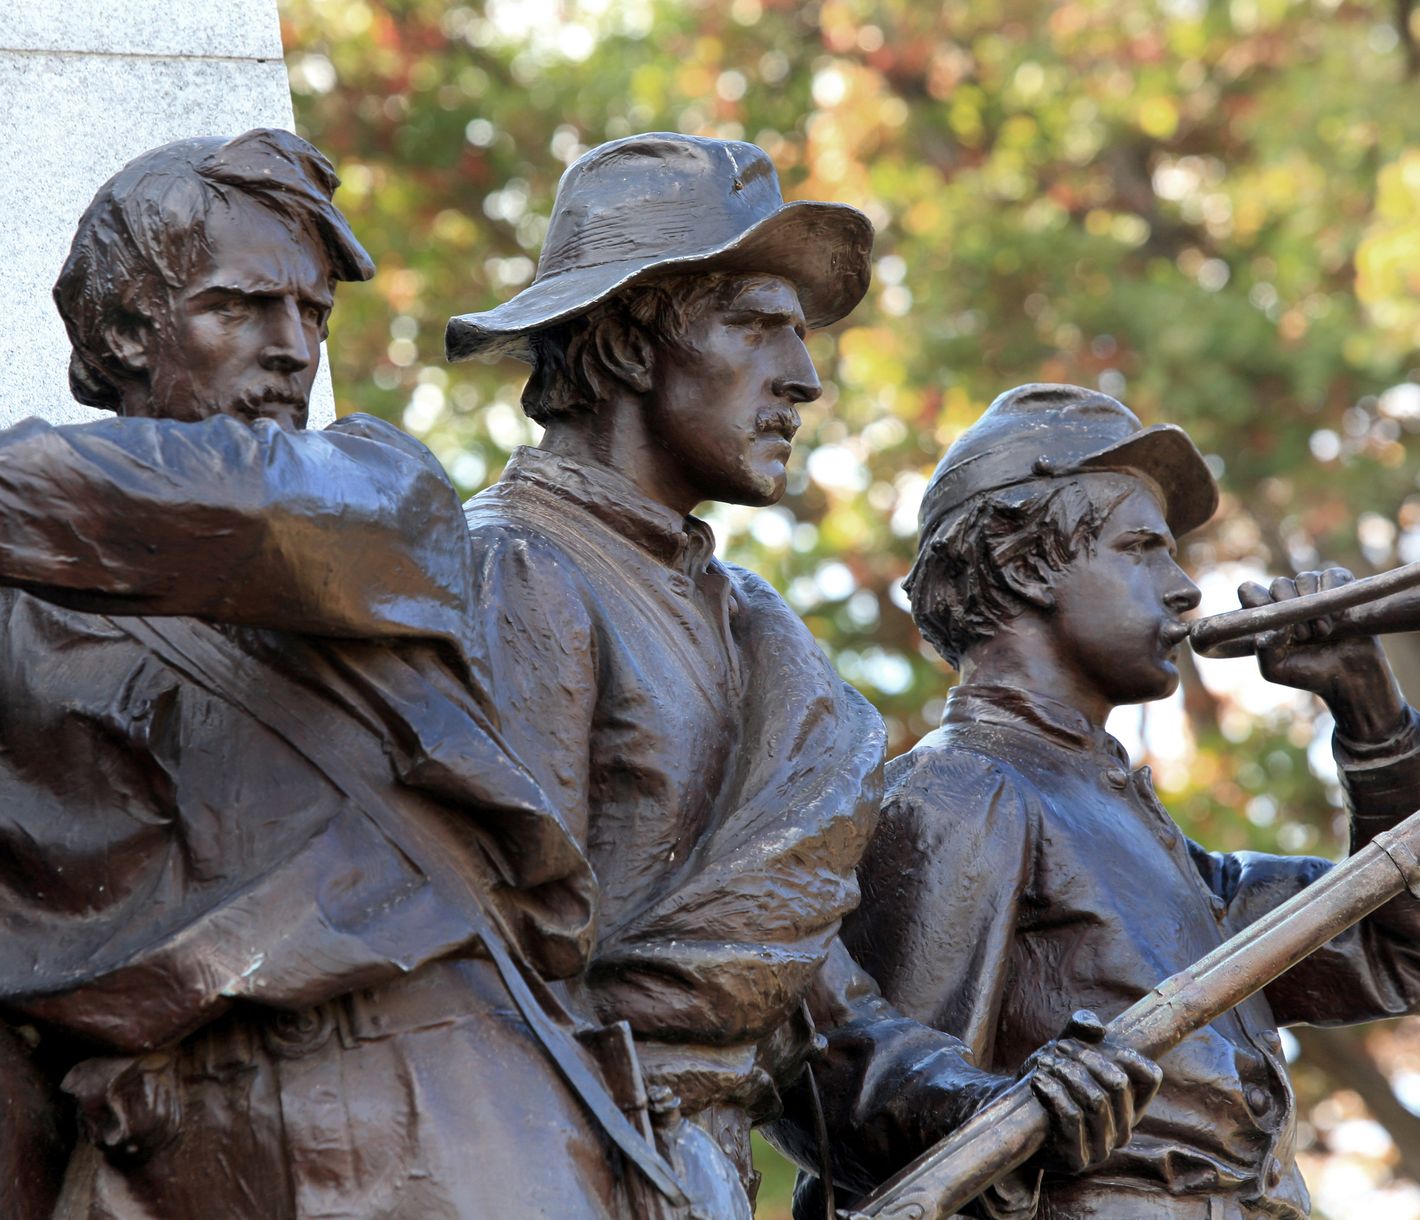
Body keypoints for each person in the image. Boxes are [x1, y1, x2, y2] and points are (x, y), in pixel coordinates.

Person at [447, 136, 1162, 1218]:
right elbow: (495, 960)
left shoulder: (757, 633)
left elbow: (813, 999)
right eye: (755, 323)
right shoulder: (520, 569)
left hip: (693, 1171)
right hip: (555, 1165)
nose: (803, 377)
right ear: (637, 335)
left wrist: (986, 1100)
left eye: (801, 332)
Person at [0, 129, 628, 1220]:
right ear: (120, 327)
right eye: (242, 306)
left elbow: (252, 519)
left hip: (436, 1107)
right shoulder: (16, 616)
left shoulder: (378, 489)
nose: (293, 348)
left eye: (314, 316)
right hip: (166, 1151)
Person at [822, 382, 1420, 1218]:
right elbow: (866, 1119)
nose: (1184, 590)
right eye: (1143, 548)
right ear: (1027, 564)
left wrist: (1372, 715)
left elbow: (1400, 950)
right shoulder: (963, 786)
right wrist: (1001, 1104)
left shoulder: (1163, 850)